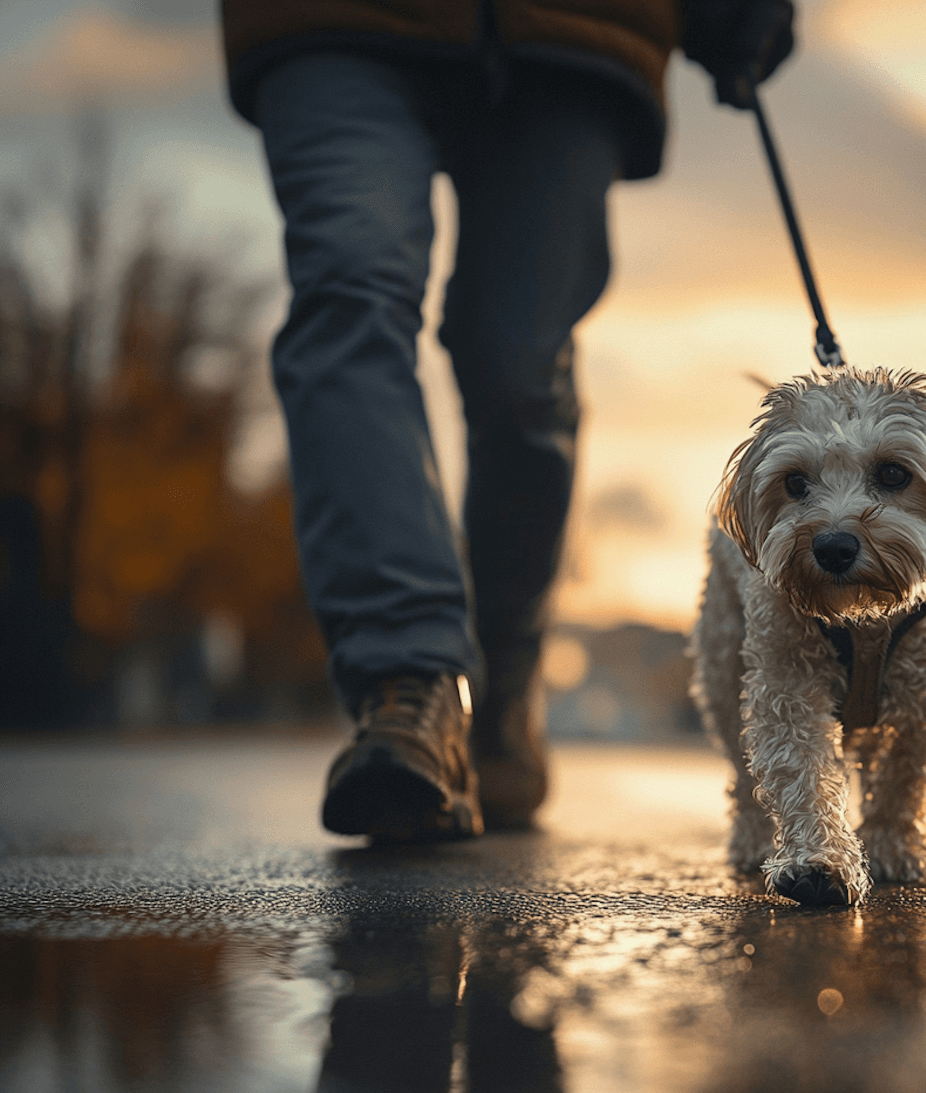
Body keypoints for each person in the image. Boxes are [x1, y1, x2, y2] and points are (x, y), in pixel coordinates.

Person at [220, 0, 796, 840]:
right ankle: (409, 684)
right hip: (331, 21)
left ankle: (500, 689)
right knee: (348, 292)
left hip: (573, 27)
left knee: (520, 365)